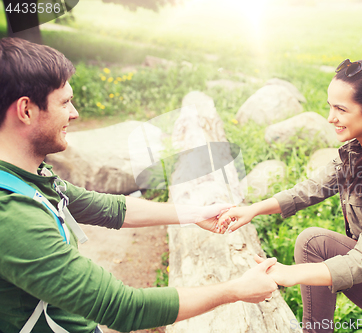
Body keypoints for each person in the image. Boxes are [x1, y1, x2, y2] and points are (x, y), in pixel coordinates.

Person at [0, 37, 278, 333]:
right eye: (65, 102)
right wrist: (236, 291)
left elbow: (106, 208)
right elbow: (123, 308)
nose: (75, 113)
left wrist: (195, 213)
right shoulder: (14, 217)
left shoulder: (24, 176)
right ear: (26, 110)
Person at [217, 59, 362, 332]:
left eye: (341, 109)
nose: (330, 118)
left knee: (313, 243)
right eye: (330, 106)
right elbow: (311, 188)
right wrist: (253, 209)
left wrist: (290, 274)